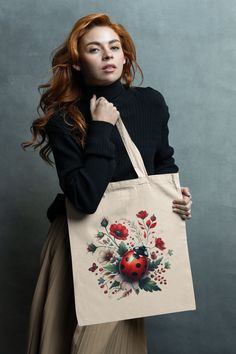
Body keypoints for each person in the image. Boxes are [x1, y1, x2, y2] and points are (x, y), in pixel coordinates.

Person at [21, 12, 192, 354]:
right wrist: (101, 127)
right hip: (76, 242)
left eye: (114, 47)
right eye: (95, 49)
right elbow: (84, 197)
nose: (108, 55)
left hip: (130, 247)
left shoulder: (150, 102)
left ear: (125, 54)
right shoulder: (64, 118)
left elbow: (161, 166)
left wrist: (178, 197)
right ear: (79, 63)